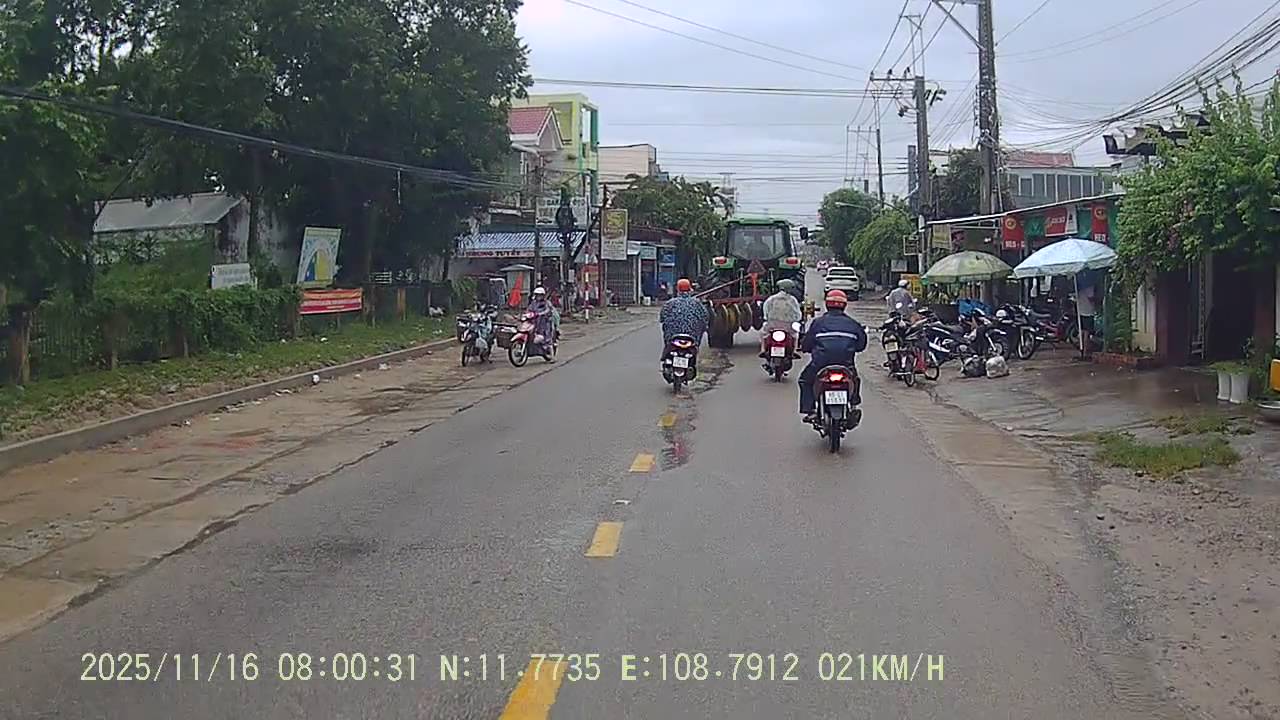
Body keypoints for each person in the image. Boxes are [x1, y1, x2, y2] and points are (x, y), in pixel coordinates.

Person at [799, 289, 868, 422]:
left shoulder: (818, 323)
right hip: (845, 364)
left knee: (805, 380)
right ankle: (854, 405)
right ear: (844, 305)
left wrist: (806, 348)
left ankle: (810, 410)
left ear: (827, 304)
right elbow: (861, 345)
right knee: (855, 380)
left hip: (820, 364)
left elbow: (807, 343)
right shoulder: (853, 324)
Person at [659, 278, 709, 359]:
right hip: (692, 338)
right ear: (689, 289)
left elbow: (662, 318)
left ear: (678, 289)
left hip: (673, 338)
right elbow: (706, 317)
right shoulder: (697, 304)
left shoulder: (669, 303)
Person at [759, 278, 803, 357]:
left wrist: (767, 318)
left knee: (763, 333)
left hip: (772, 325)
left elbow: (765, 310)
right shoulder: (792, 300)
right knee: (796, 334)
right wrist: (797, 320)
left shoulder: (771, 299)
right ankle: (795, 350)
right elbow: (797, 313)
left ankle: (763, 349)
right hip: (788, 326)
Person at [527, 286, 556, 359]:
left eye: (540, 295)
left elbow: (549, 310)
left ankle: (552, 356)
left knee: (547, 338)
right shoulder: (533, 303)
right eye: (537, 295)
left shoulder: (547, 303)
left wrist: (541, 314)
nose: (538, 296)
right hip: (536, 322)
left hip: (545, 322)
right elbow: (529, 309)